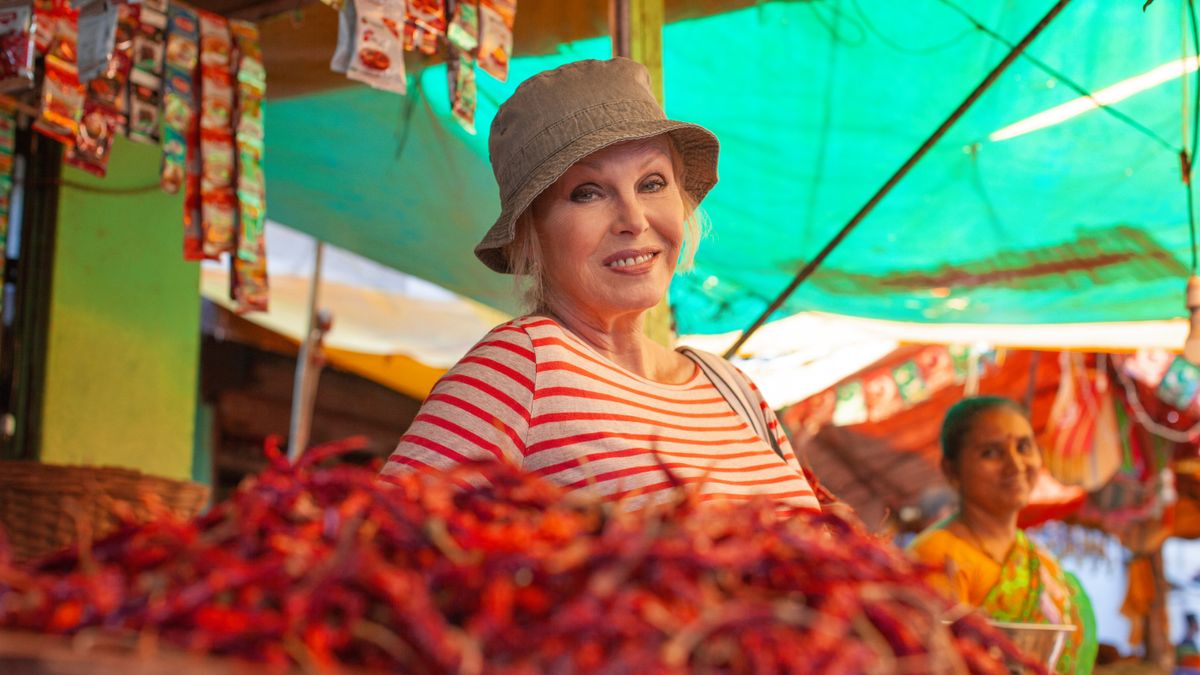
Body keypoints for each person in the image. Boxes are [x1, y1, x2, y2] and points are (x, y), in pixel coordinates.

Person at [381, 58, 839, 514]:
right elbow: (380, 539)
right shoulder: (522, 365)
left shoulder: (732, 387)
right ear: (530, 231)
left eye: (652, 183)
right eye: (588, 192)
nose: (634, 220)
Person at [907, 396, 1097, 674]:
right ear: (951, 470)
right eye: (991, 453)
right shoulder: (936, 556)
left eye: (1023, 447)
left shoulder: (1041, 562)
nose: (1016, 464)